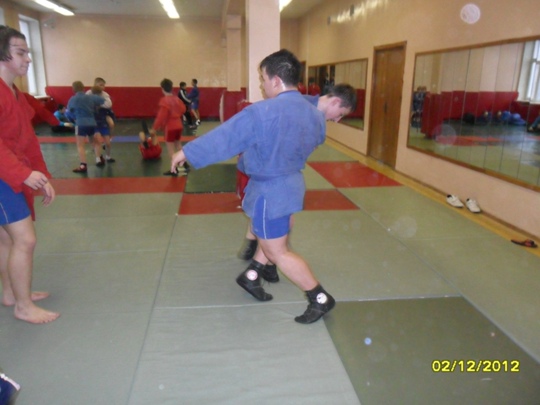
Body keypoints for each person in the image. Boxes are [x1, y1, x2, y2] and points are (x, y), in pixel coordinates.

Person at [171, 49, 335, 324]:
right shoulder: (315, 115)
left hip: (271, 192)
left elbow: (226, 138)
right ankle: (251, 275)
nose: (261, 84)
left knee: (277, 251)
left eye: (262, 78)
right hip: (291, 184)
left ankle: (319, 298)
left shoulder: (262, 112)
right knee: (270, 236)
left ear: (276, 80)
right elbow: (313, 140)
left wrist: (187, 152)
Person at [237, 83, 358, 279]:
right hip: (261, 167)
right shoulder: (298, 107)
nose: (337, 119)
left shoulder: (315, 119)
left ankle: (259, 257)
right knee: (277, 217)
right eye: (340, 114)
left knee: (274, 214)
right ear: (335, 101)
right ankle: (261, 264)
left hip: (275, 171)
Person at [0, 25, 60, 324]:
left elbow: (27, 140)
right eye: (20, 52)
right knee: (25, 240)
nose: (28, 59)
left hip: (10, 173)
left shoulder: (15, 94)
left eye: (27, 52)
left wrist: (41, 175)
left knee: (7, 239)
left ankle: (11, 293)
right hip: (4, 177)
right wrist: (23, 173)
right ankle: (23, 307)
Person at [151, 78, 188, 176]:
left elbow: (161, 116)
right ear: (171, 88)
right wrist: (176, 114)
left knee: (171, 149)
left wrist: (154, 128)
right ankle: (185, 163)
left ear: (162, 89)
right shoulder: (177, 99)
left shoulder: (165, 101)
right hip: (179, 125)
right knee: (178, 144)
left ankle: (174, 169)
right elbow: (184, 109)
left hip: (170, 127)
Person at [67, 81, 105, 173]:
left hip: (80, 123)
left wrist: (73, 119)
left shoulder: (73, 99)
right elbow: (102, 100)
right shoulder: (90, 97)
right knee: (94, 142)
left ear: (73, 90)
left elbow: (69, 112)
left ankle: (83, 165)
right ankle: (98, 159)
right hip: (92, 122)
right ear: (83, 88)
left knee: (80, 145)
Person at [90, 85, 115, 164]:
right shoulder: (90, 102)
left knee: (107, 143)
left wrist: (109, 117)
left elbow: (109, 108)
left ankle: (108, 156)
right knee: (98, 142)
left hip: (103, 124)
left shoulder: (104, 101)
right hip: (95, 125)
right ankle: (98, 159)